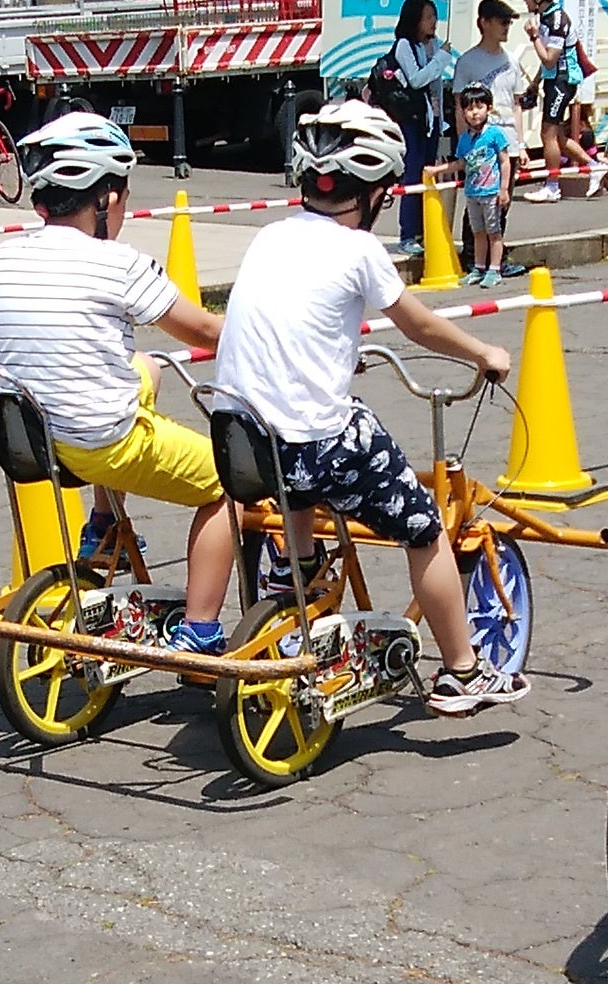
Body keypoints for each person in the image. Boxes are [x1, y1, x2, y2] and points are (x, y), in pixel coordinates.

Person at [216, 101, 525, 715]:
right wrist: (483, 352)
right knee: (423, 526)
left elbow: (290, 319)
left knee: (299, 471)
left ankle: (299, 578)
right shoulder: (359, 250)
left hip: (241, 436)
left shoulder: (270, 236)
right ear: (377, 191)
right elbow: (418, 326)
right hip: (310, 441)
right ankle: (464, 672)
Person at [0, 111, 239, 654]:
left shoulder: (7, 255)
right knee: (231, 486)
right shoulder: (118, 263)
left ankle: (103, 524)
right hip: (101, 440)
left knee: (147, 368)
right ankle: (200, 629)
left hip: (34, 438)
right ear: (105, 198)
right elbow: (203, 330)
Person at [369, 0, 458, 215]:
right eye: (428, 17)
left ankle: (425, 225)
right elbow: (417, 79)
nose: (433, 22)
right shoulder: (404, 45)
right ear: (414, 20)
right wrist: (441, 59)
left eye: (434, 16)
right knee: (413, 173)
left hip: (432, 119)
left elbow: (435, 84)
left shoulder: (433, 44)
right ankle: (409, 228)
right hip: (413, 118)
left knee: (428, 171)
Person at [520, 0, 595, 201]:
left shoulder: (556, 20)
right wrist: (535, 82)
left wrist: (534, 37)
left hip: (563, 81)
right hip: (554, 79)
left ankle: (552, 186)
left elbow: (550, 59)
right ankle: (595, 166)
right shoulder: (546, 17)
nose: (525, 1)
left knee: (547, 134)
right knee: (558, 137)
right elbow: (548, 61)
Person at [451, 84, 519, 284]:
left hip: (491, 192)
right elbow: (461, 163)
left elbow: (505, 161)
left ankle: (495, 270)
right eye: (469, 108)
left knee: (494, 232)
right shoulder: (464, 139)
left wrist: (504, 189)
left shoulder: (495, 134)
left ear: (489, 108)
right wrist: (437, 170)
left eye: (479, 107)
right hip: (472, 193)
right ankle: (478, 268)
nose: (474, 113)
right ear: (463, 112)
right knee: (478, 232)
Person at [453, 0, 521, 121]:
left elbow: (516, 106)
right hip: (480, 130)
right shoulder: (466, 62)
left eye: (509, 23)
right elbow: (460, 106)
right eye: (503, 22)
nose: (507, 27)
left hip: (508, 130)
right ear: (484, 22)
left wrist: (519, 134)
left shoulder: (513, 61)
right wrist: (463, 134)